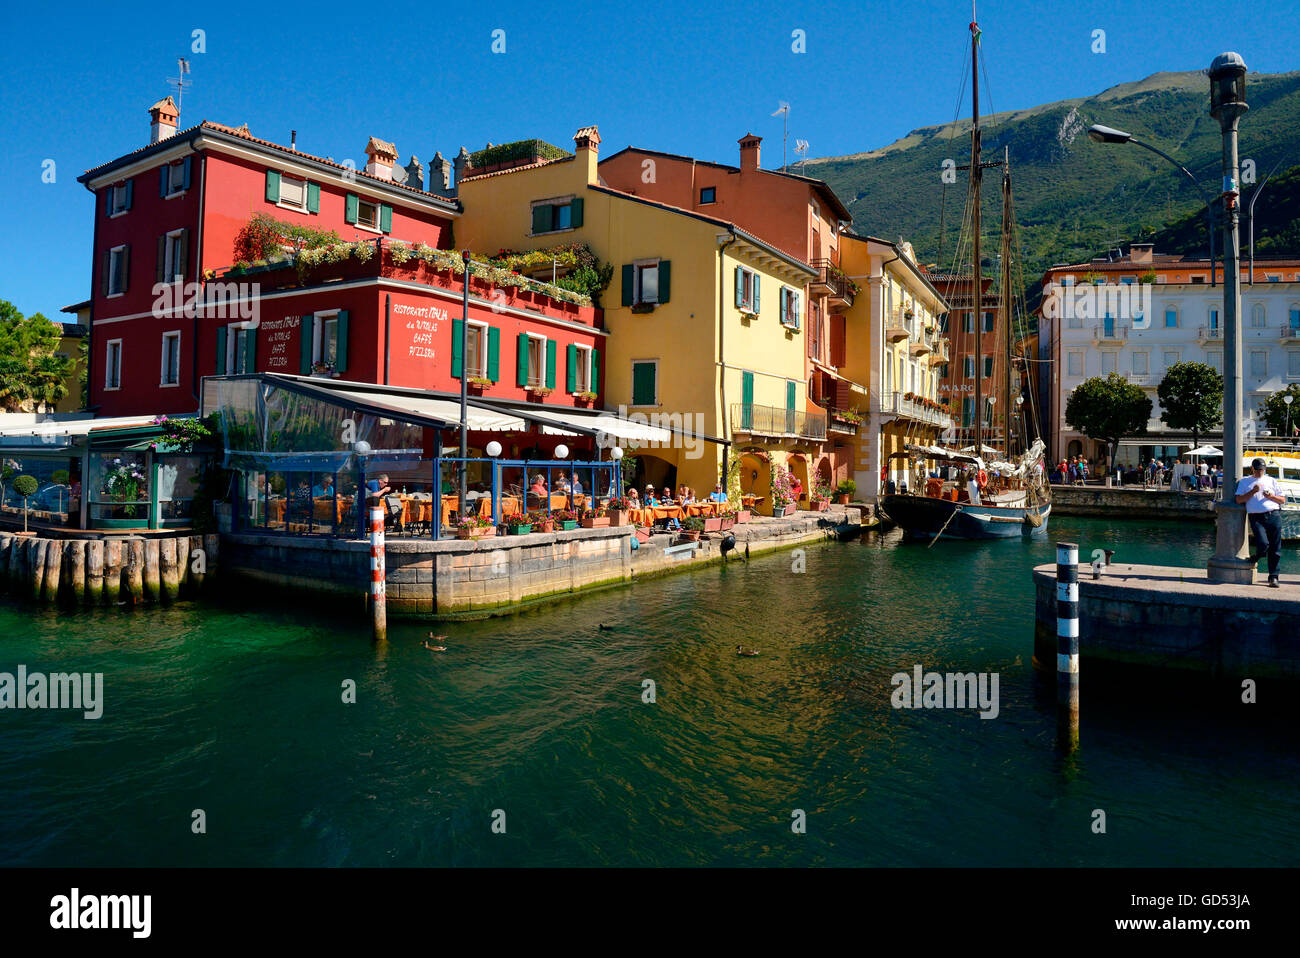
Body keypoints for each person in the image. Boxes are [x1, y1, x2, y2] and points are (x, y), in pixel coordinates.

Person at [1236, 457, 1286, 587]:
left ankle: (1273, 577)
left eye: (1262, 470)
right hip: (1256, 517)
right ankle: (1257, 555)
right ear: (1252, 469)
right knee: (1263, 544)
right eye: (1257, 470)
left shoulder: (1271, 480)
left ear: (1265, 469)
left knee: (1276, 548)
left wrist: (1271, 497)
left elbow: (1282, 500)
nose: (1260, 472)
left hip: (1273, 514)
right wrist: (1253, 491)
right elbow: (1239, 500)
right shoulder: (1245, 482)